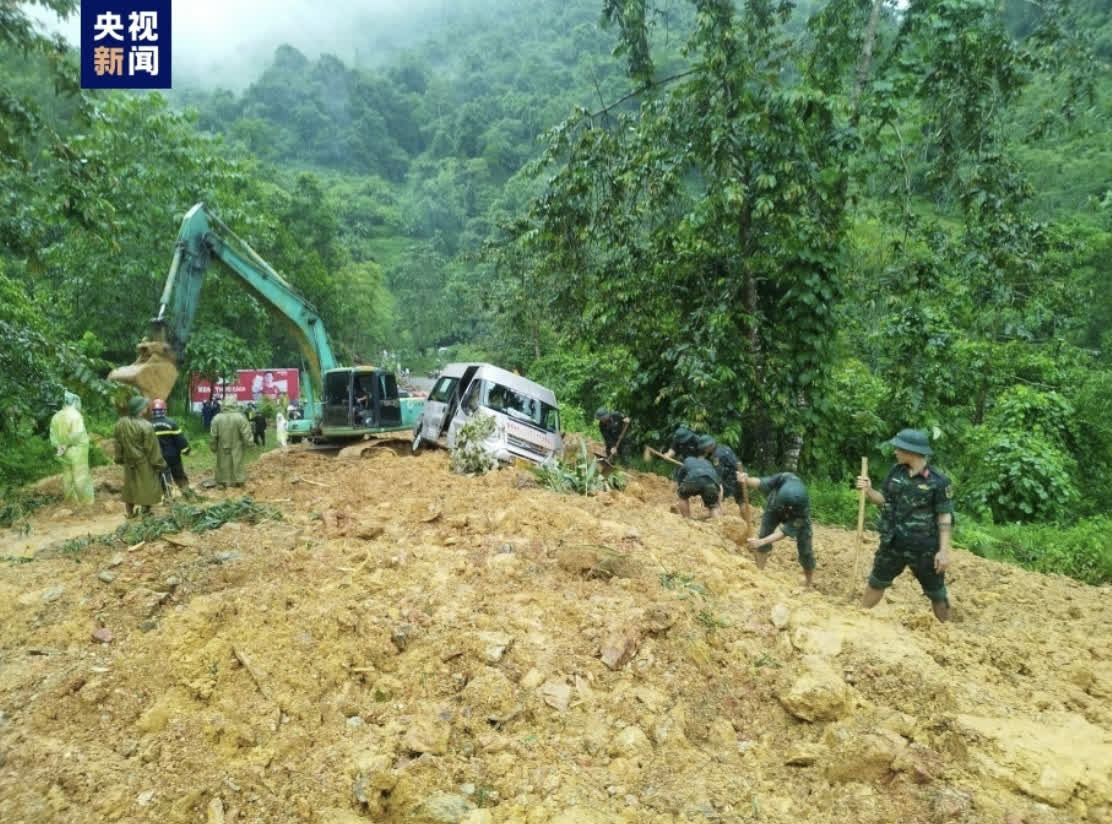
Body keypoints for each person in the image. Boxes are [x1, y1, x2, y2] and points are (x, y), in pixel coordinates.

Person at [856, 428, 954, 622]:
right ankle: (857, 618)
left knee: (936, 594)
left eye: (898, 448)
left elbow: (944, 517)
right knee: (876, 582)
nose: (895, 451)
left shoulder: (939, 481)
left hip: (924, 549)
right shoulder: (895, 472)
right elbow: (883, 500)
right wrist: (868, 490)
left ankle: (948, 631)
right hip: (893, 543)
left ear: (911, 451)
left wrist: (943, 551)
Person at [739, 471, 816, 587]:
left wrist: (761, 541)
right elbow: (760, 483)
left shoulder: (802, 511)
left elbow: (783, 532)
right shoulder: (784, 478)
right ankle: (759, 575)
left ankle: (808, 582)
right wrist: (746, 479)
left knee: (805, 549)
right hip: (774, 507)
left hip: (796, 515)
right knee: (764, 535)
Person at [113, 396, 165, 518]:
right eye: (145, 406)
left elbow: (118, 443)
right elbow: (152, 448)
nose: (147, 408)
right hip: (144, 462)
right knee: (147, 486)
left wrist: (119, 458)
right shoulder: (146, 426)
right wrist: (159, 463)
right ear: (140, 409)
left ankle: (130, 513)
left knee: (130, 487)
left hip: (128, 461)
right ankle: (146, 511)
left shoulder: (121, 423)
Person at [49, 390, 94, 507]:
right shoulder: (75, 415)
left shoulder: (56, 416)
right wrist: (67, 444)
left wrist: (60, 446)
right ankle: (86, 504)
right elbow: (77, 434)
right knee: (81, 476)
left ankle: (70, 503)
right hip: (77, 450)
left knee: (67, 477)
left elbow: (53, 437)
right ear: (73, 401)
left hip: (63, 452)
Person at [150, 398, 194, 500]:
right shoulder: (171, 423)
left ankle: (168, 499)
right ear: (165, 410)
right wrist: (186, 450)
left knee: (163, 478)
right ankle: (188, 495)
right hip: (173, 457)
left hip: (159, 458)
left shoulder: (148, 426)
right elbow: (180, 439)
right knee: (179, 476)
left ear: (152, 411)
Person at [210, 398, 253, 488]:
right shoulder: (240, 417)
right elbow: (246, 432)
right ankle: (239, 481)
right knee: (237, 462)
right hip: (237, 444)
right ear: (235, 404)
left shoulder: (217, 418)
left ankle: (222, 481)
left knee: (222, 463)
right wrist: (250, 443)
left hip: (221, 445)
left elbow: (213, 435)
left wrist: (213, 447)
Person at [675, 453, 723, 519]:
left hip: (693, 479)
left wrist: (682, 490)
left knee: (682, 496)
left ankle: (686, 519)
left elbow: (680, 479)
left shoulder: (687, 460)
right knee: (713, 506)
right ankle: (717, 523)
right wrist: (719, 504)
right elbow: (720, 487)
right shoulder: (708, 463)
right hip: (710, 482)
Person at [712, 442, 744, 517]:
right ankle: (745, 519)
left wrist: (718, 483)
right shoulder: (724, 447)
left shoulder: (716, 455)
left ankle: (725, 517)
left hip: (731, 479)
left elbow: (718, 473)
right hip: (741, 474)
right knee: (741, 500)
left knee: (727, 500)